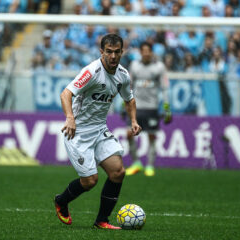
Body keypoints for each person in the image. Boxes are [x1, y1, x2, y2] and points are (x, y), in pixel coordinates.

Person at [54, 34, 141, 229]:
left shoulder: (123, 75)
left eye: (117, 52)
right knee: (90, 181)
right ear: (101, 52)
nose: (112, 56)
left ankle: (102, 220)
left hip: (100, 129)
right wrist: (70, 118)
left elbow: (130, 99)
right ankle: (61, 201)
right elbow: (66, 93)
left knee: (118, 172)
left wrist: (133, 120)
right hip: (78, 132)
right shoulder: (91, 71)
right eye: (108, 52)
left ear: (122, 52)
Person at [125, 41, 171, 177]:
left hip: (151, 107)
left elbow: (164, 88)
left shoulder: (159, 67)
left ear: (151, 52)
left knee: (151, 136)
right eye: (143, 50)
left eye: (148, 50)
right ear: (140, 52)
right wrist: (124, 105)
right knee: (129, 134)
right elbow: (128, 86)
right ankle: (136, 163)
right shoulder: (134, 66)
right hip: (136, 107)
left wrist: (167, 108)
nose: (146, 53)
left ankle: (150, 165)